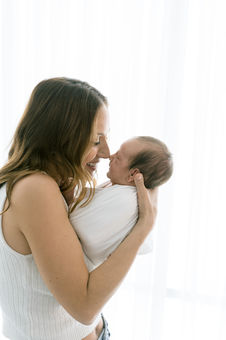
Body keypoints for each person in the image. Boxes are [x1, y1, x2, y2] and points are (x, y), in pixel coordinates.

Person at [0, 77, 158, 340]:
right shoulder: (35, 189)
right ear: (61, 136)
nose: (107, 152)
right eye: (96, 140)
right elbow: (84, 308)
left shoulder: (39, 184)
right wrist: (143, 227)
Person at [70, 136, 173, 272]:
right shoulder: (116, 186)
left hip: (76, 263)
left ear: (133, 174)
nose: (110, 156)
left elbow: (76, 220)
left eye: (118, 157)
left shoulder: (126, 199)